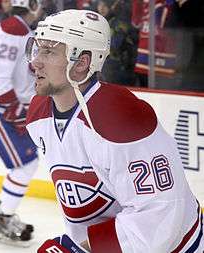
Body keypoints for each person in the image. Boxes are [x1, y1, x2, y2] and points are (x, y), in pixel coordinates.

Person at [26, 9, 204, 253]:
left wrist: (78, 249)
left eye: (49, 52)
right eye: (37, 49)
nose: (35, 61)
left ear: (81, 63)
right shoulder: (39, 114)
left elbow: (161, 213)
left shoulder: (119, 117)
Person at [0, 0, 41, 247]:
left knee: (28, 164)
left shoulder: (19, 27)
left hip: (4, 107)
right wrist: (16, 110)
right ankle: (3, 221)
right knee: (26, 165)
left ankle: (5, 216)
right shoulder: (14, 30)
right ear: (33, 5)